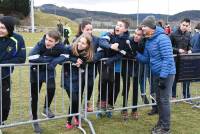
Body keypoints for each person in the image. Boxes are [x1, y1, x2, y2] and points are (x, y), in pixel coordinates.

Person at [137, 16, 176, 134]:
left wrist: (163, 77)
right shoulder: (149, 40)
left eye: (144, 26)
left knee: (164, 100)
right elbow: (146, 59)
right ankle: (160, 123)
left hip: (166, 74)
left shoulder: (162, 38)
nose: (142, 28)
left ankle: (165, 128)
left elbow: (168, 59)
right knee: (158, 100)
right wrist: (134, 53)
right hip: (156, 74)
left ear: (150, 27)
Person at [28, 30, 70, 133]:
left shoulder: (60, 46)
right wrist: (50, 60)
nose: (47, 42)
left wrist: (55, 61)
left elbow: (66, 55)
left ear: (56, 42)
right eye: (46, 39)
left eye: (50, 41)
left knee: (51, 88)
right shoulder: (40, 44)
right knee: (35, 97)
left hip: (49, 71)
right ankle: (35, 120)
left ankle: (46, 108)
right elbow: (31, 57)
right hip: (35, 72)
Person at [97, 20, 133, 118]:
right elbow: (102, 41)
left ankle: (110, 107)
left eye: (120, 25)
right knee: (103, 87)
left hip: (117, 68)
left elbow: (126, 53)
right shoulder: (109, 34)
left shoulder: (126, 40)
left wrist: (116, 55)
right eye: (117, 25)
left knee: (115, 89)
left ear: (125, 29)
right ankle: (100, 109)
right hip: (105, 66)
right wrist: (110, 46)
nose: (117, 27)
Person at [62, 33, 93, 129]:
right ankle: (70, 119)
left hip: (79, 79)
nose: (80, 44)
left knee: (76, 100)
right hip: (67, 77)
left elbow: (87, 63)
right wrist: (74, 60)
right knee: (74, 99)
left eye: (83, 43)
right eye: (79, 41)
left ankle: (75, 117)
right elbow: (62, 59)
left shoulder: (86, 54)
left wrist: (82, 63)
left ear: (87, 46)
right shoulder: (69, 48)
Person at [0, 16, 26, 125]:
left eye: (3, 28)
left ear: (10, 29)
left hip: (4, 75)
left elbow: (21, 58)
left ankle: (2, 121)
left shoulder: (18, 39)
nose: (0, 30)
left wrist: (1, 64)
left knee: (5, 103)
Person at [73, 20, 99, 112]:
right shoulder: (76, 39)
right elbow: (74, 54)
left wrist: (92, 58)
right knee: (80, 87)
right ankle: (76, 111)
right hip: (80, 69)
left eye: (91, 29)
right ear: (82, 29)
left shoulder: (96, 39)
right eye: (87, 29)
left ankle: (87, 102)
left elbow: (100, 52)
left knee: (90, 85)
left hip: (92, 68)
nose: (90, 31)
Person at [170, 18, 192, 100]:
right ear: (180, 24)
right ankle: (173, 96)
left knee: (186, 77)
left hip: (185, 60)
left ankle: (186, 95)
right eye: (183, 25)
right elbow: (169, 46)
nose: (185, 27)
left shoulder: (188, 34)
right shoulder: (173, 34)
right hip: (175, 59)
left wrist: (190, 49)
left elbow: (189, 45)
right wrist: (177, 50)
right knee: (174, 78)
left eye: (187, 25)